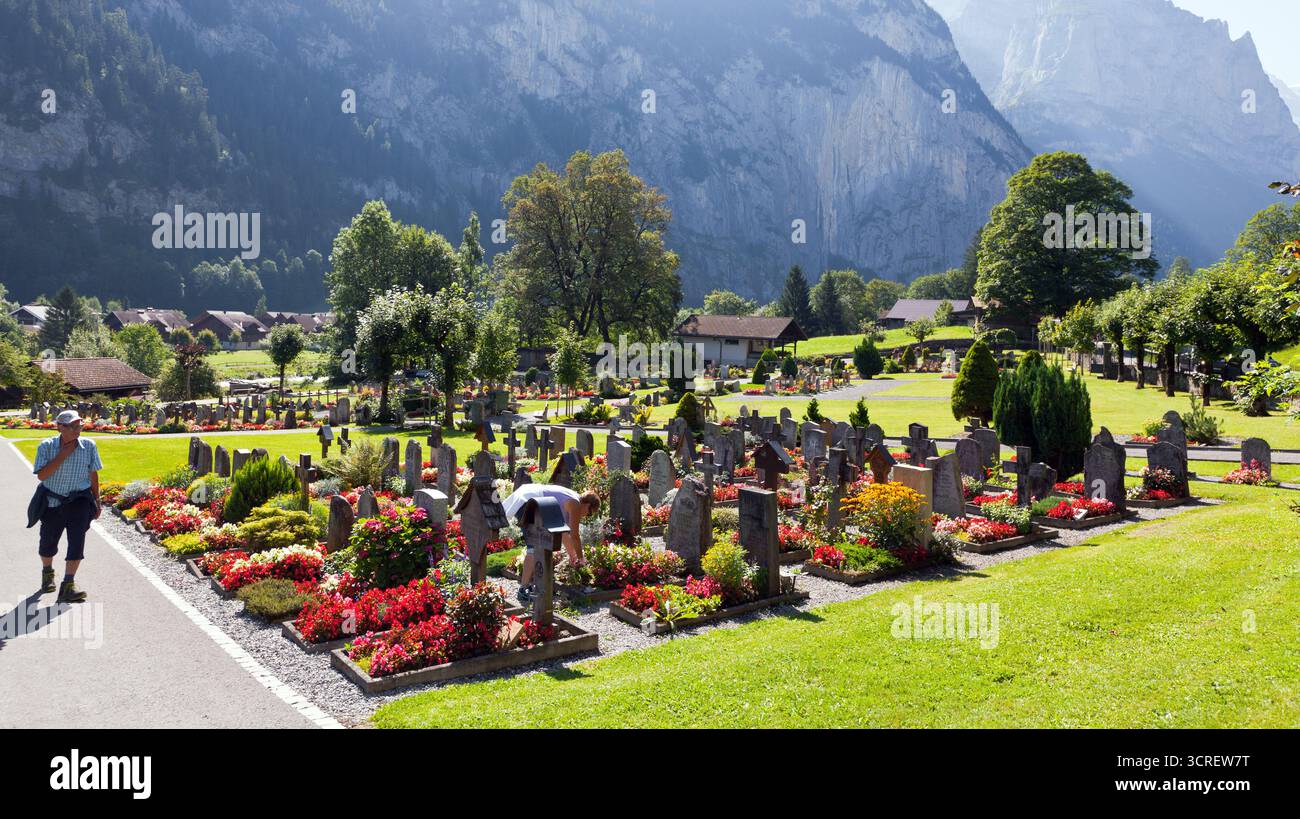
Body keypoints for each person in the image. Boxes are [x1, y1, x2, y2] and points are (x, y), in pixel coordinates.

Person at [31, 410, 102, 602]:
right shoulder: (46, 446)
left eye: (80, 425)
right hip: (52, 502)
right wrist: (62, 455)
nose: (78, 429)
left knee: (77, 543)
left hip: (79, 501)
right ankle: (47, 574)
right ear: (60, 427)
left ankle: (68, 585)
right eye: (73, 426)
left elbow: (93, 474)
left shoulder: (89, 446)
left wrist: (97, 500)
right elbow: (42, 475)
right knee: (47, 543)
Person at [502, 483, 599, 602]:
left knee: (537, 545)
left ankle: (527, 587)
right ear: (588, 505)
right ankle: (523, 590)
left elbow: (563, 533)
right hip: (529, 501)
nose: (586, 516)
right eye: (589, 513)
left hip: (529, 497)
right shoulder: (575, 504)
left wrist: (572, 556)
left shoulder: (572, 500)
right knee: (534, 546)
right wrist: (581, 558)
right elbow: (575, 535)